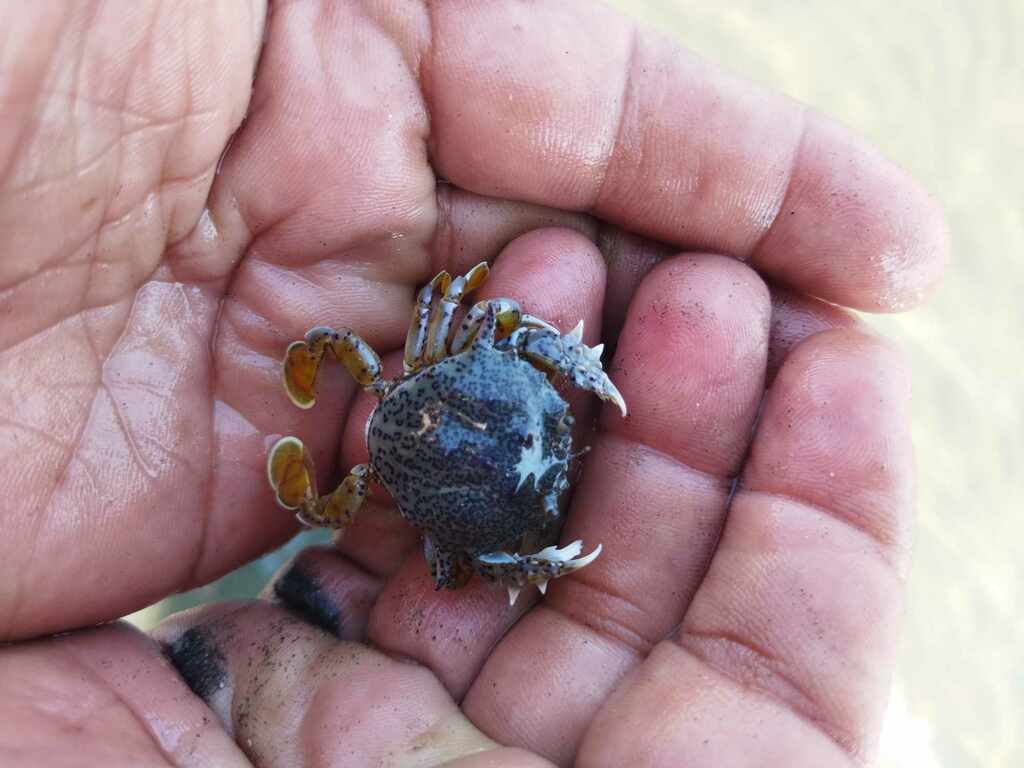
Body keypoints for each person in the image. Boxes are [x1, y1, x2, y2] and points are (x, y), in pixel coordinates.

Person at [0, 2, 947, 766]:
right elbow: (457, 549)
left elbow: (460, 543)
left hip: (453, 477)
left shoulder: (440, 367)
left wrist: (532, 547)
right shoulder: (450, 368)